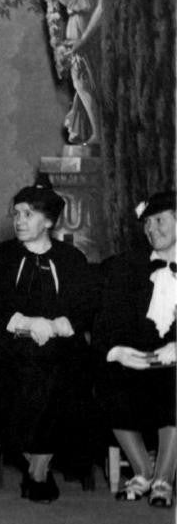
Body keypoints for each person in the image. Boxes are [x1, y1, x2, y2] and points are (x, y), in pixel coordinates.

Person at [0, 184, 97, 504]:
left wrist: (57, 326)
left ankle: (37, 465)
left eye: (28, 214)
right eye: (16, 213)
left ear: (48, 222)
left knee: (61, 369)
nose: (19, 220)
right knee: (34, 366)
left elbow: (85, 306)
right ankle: (39, 470)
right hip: (9, 348)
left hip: (61, 349)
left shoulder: (71, 258)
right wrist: (28, 323)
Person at [95, 192, 177, 507]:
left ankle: (163, 480)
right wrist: (120, 350)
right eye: (146, 224)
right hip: (140, 356)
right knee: (111, 382)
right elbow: (111, 318)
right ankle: (142, 472)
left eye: (160, 221)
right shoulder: (128, 266)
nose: (151, 229)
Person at [46, 0, 104, 145]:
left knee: (87, 84)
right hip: (75, 33)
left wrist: (85, 39)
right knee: (81, 83)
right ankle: (94, 132)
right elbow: (68, 1)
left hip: (89, 35)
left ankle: (99, 134)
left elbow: (101, 9)